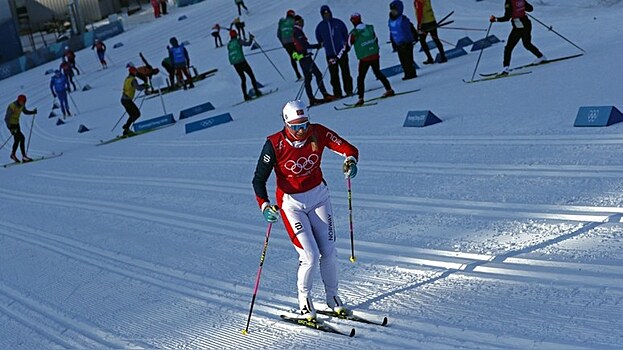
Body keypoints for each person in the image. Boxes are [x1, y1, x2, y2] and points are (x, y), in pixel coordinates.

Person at [252, 100, 359, 321]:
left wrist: (350, 161)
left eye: (304, 124)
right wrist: (264, 205)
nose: (301, 131)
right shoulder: (274, 144)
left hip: (319, 196)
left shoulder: (317, 132)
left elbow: (348, 148)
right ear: (286, 123)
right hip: (291, 204)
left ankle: (333, 297)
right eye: (296, 126)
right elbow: (258, 180)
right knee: (309, 255)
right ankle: (304, 301)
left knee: (328, 251)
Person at [346, 13, 394, 106]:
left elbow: (347, 46)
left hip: (364, 58)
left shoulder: (353, 33)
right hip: (374, 54)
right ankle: (389, 89)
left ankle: (360, 98)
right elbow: (375, 39)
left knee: (361, 77)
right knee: (377, 72)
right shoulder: (369, 27)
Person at [490, 0, 546, 75]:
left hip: (519, 26)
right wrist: (521, 9)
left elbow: (507, 18)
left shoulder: (509, 2)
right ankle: (541, 57)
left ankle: (505, 69)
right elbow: (530, 9)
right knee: (527, 43)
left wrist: (495, 19)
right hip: (527, 23)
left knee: (508, 48)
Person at [292, 15, 335, 106]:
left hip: (302, 58)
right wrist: (317, 46)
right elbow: (304, 45)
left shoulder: (295, 31)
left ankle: (311, 99)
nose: (303, 22)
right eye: (301, 20)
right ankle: (324, 94)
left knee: (308, 78)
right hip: (305, 58)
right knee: (317, 74)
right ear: (298, 22)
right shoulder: (298, 32)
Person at [315, 5, 353, 98]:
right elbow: (319, 39)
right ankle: (337, 93)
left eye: (327, 13)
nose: (326, 15)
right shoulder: (320, 27)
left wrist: (346, 46)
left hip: (341, 52)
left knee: (345, 72)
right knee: (334, 75)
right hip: (330, 55)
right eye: (324, 14)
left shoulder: (338, 22)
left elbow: (345, 34)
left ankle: (349, 90)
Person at [227, 30, 262, 101]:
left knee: (243, 79)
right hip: (242, 61)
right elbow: (248, 44)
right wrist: (251, 38)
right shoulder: (238, 41)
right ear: (236, 35)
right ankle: (257, 91)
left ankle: (245, 96)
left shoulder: (229, 44)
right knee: (251, 75)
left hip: (235, 63)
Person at [388, 0, 418, 80]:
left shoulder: (404, 19)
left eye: (395, 10)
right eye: (392, 10)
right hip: (398, 44)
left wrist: (414, 38)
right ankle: (407, 73)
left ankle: (411, 73)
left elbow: (411, 29)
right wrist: (393, 43)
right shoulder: (390, 20)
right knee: (402, 60)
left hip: (407, 43)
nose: (393, 12)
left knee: (409, 59)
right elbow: (392, 32)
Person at [4, 95, 37, 163]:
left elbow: (25, 111)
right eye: (22, 102)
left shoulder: (22, 105)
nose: (23, 103)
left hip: (17, 124)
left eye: (24, 102)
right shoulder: (12, 106)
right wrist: (10, 129)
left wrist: (32, 112)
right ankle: (23, 156)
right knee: (22, 138)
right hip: (12, 125)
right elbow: (6, 118)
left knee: (17, 139)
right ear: (18, 100)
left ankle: (13, 155)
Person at [414, 0, 447, 64]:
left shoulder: (418, 1)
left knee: (422, 41)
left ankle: (430, 58)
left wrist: (419, 25)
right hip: (432, 21)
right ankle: (443, 57)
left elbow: (419, 13)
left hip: (424, 23)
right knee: (436, 39)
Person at [277, 9, 303, 80]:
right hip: (293, 41)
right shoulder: (293, 21)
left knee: (292, 57)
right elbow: (296, 31)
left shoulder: (282, 22)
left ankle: (298, 75)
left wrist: (283, 43)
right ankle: (306, 71)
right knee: (300, 55)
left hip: (286, 43)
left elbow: (278, 34)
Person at [120, 66, 146, 136]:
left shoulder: (127, 78)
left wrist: (143, 85)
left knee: (132, 115)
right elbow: (138, 88)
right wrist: (145, 86)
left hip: (123, 99)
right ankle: (126, 126)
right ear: (132, 72)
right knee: (137, 114)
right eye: (135, 71)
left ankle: (126, 130)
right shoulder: (133, 79)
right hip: (127, 100)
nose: (136, 72)